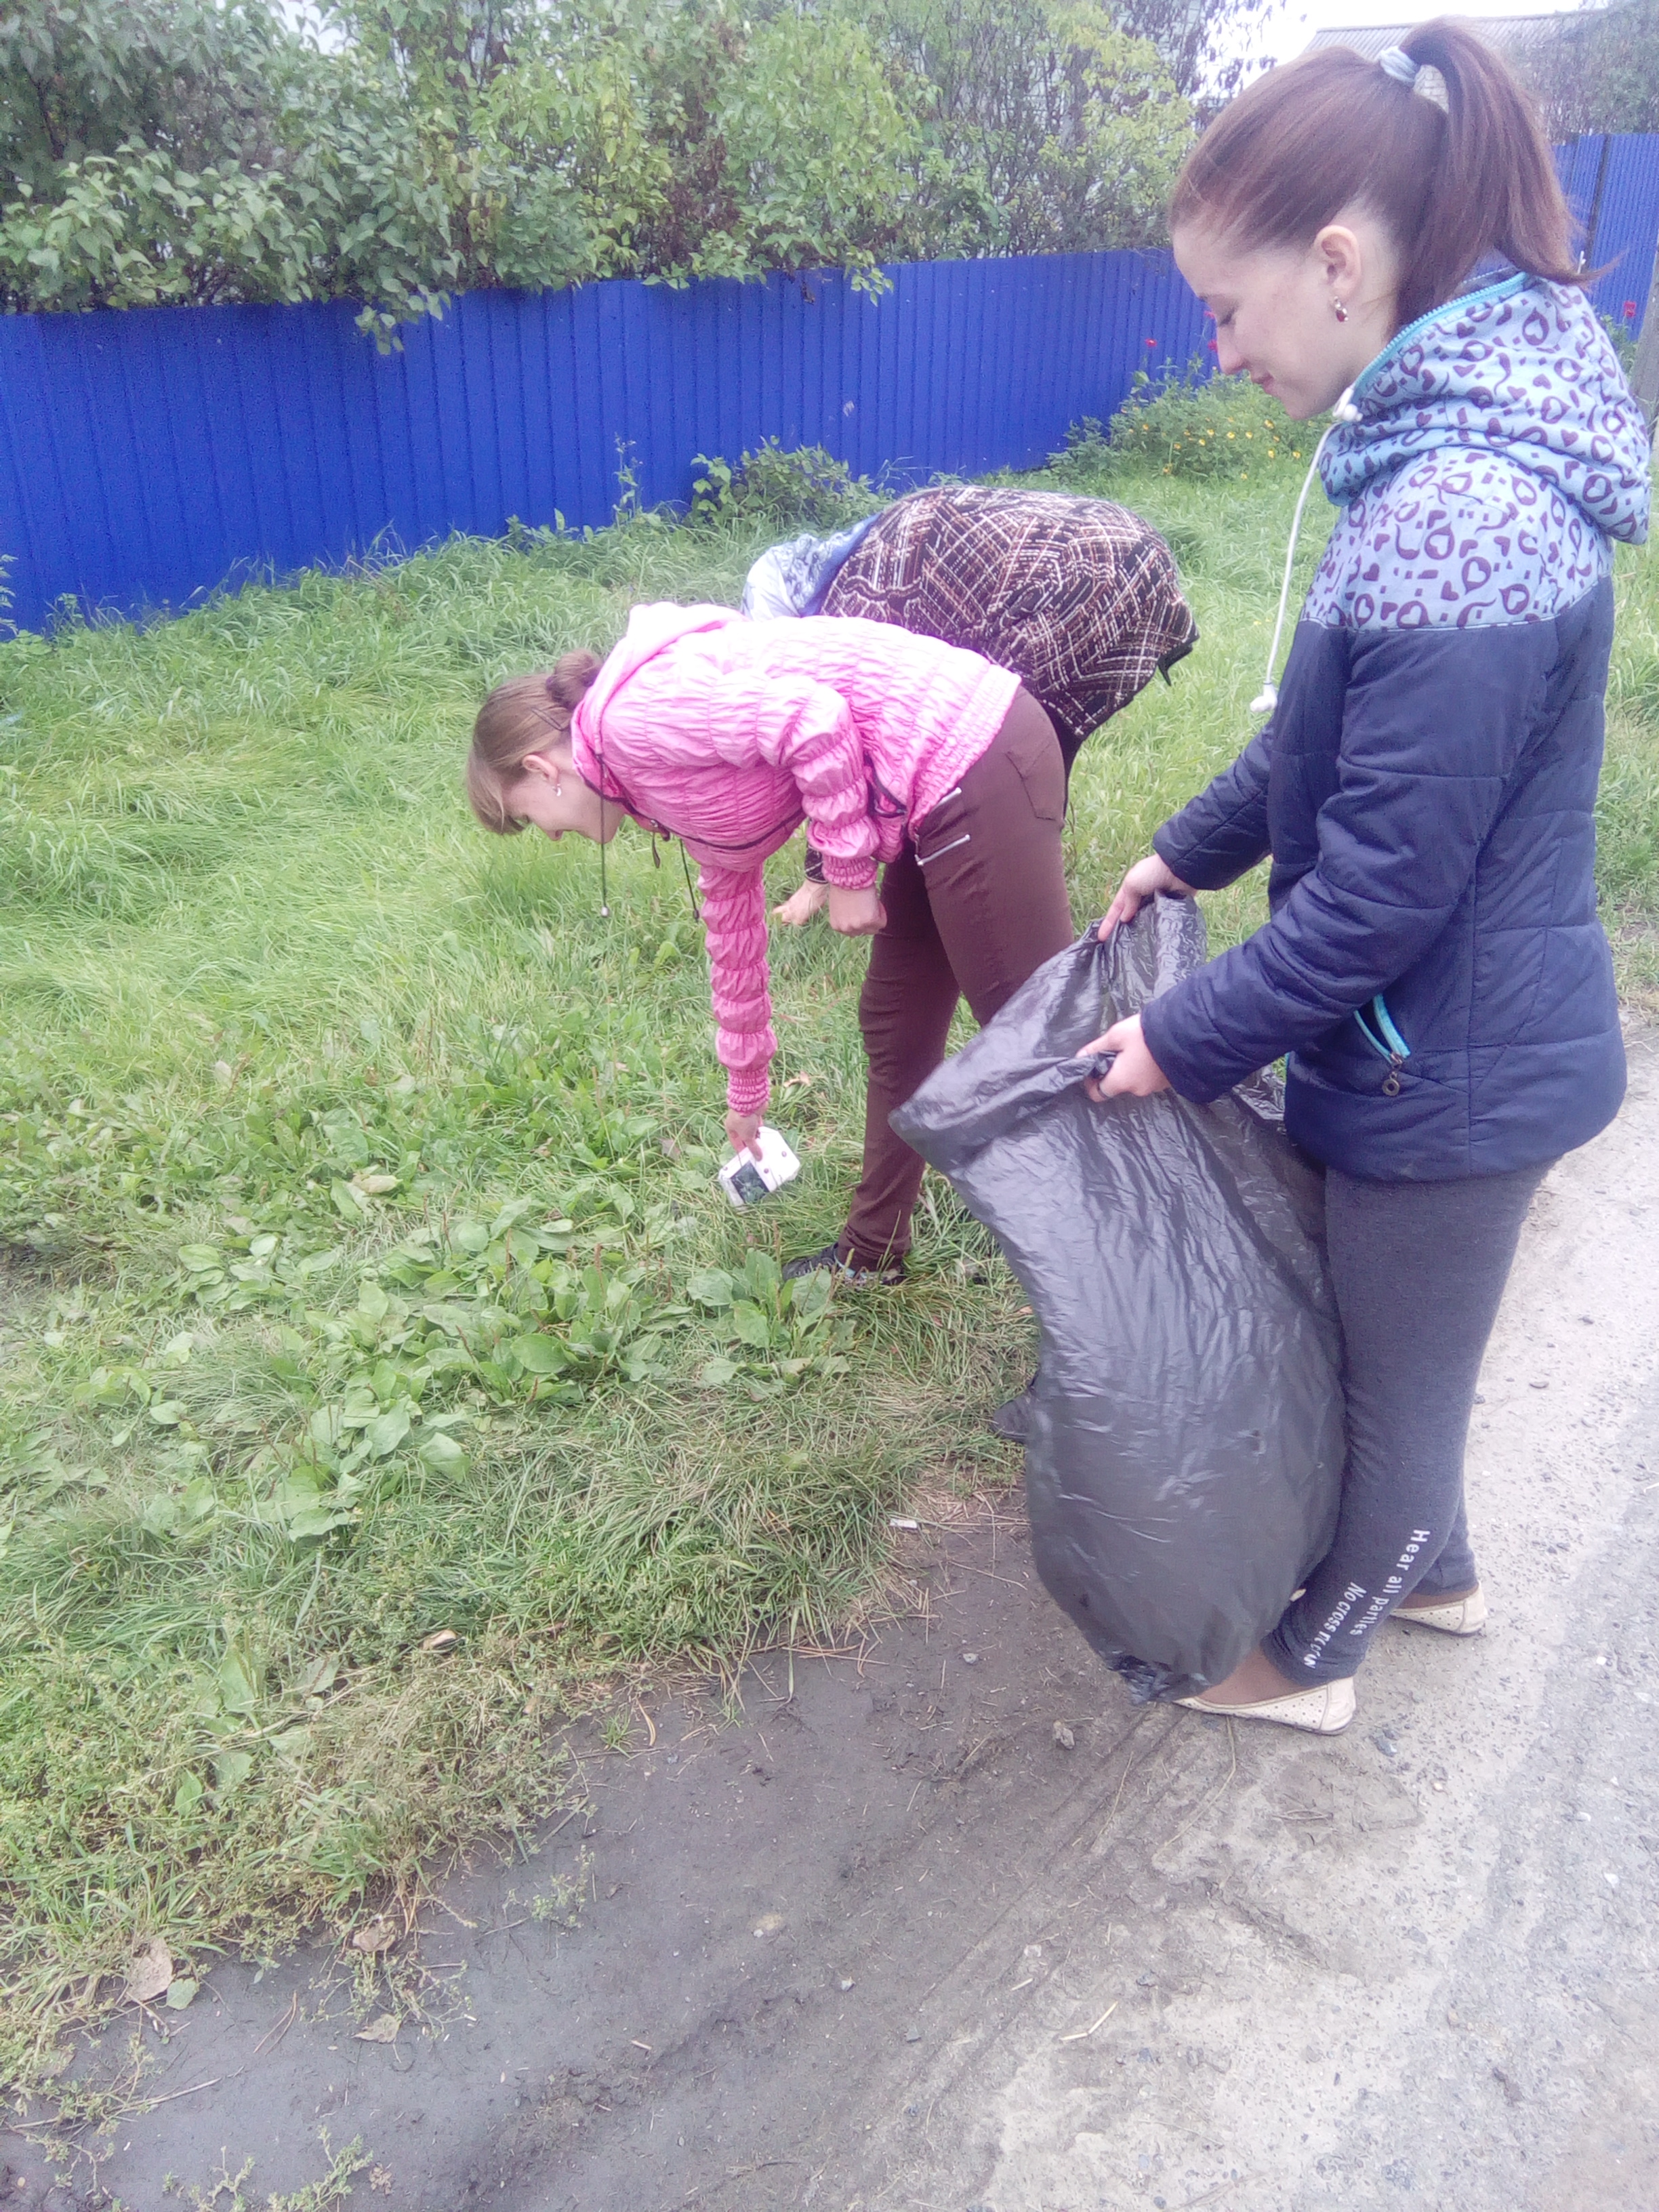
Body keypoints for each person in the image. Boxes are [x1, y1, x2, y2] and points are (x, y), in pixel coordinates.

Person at [1082, 22, 1650, 1734]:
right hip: (1428, 1044)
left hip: (1452, 1073)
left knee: (1392, 1397)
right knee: (1388, 1353)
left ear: (1335, 264)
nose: (1217, 350)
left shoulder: (1465, 510)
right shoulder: (1425, 463)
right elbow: (1320, 749)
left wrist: (1178, 1040)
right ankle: (1443, 1575)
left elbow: (1379, 895)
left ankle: (1311, 1662)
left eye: (1224, 307)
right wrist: (1182, 850)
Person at [466, 608, 1075, 1284]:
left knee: (1041, 1044)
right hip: (926, 786)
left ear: (540, 769)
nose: (551, 836)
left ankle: (1129, 1276)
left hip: (972, 750)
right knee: (897, 1020)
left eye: (529, 818)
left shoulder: (631, 721)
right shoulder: (645, 780)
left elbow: (813, 720)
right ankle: (872, 1254)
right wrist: (746, 1092)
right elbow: (732, 930)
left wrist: (847, 875)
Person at [743, 485, 1197, 926]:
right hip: (1136, 553)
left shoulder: (850, 611)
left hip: (1084, 580)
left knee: (1005, 744)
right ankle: (1024, 871)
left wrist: (822, 877)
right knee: (1037, 741)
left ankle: (1011, 901)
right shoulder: (867, 550)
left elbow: (842, 756)